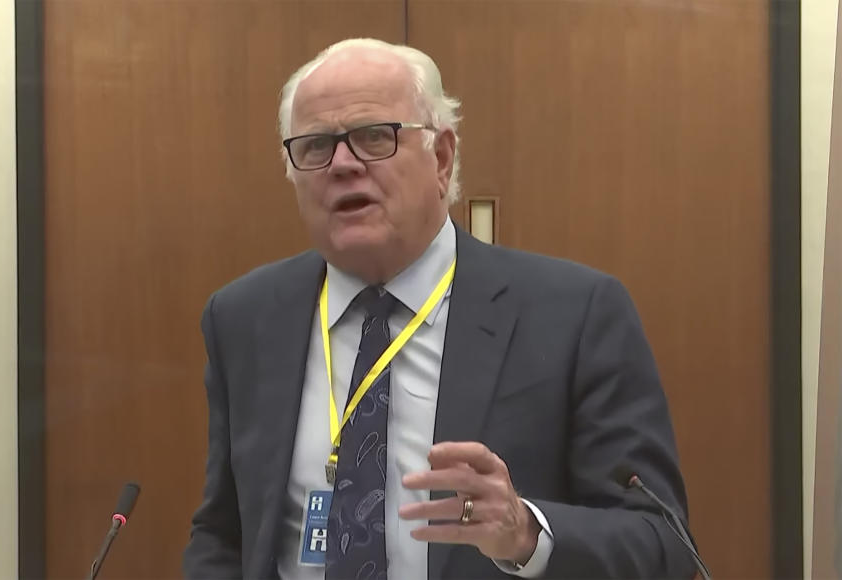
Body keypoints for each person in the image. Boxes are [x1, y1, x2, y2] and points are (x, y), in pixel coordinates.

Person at [183, 38, 696, 579]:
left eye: (374, 137)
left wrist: (526, 534)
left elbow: (663, 542)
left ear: (442, 157)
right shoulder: (244, 317)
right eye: (315, 146)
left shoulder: (575, 315)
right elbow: (224, 531)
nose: (342, 165)